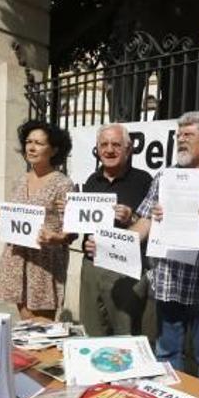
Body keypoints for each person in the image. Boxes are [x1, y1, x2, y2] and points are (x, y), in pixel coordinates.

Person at [129, 111, 199, 382]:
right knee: (167, 353)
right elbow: (144, 220)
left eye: (188, 135)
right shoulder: (164, 176)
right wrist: (117, 244)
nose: (180, 140)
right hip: (168, 282)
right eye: (179, 135)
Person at [0, 120, 73, 320]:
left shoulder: (63, 184)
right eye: (28, 142)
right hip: (18, 258)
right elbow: (17, 217)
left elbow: (72, 230)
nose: (31, 148)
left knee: (41, 329)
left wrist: (57, 237)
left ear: (53, 150)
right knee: (26, 324)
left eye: (39, 143)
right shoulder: (20, 180)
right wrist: (2, 220)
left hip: (44, 263)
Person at [79, 123, 152, 336]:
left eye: (116, 144)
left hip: (125, 270)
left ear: (128, 149)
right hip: (91, 267)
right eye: (104, 145)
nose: (109, 150)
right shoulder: (92, 180)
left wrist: (131, 218)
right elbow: (85, 223)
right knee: (92, 331)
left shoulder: (144, 180)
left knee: (125, 335)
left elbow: (151, 225)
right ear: (97, 149)